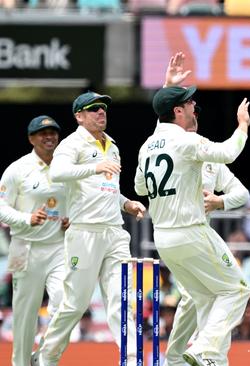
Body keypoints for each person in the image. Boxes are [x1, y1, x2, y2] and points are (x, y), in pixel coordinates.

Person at [134, 54, 250, 365]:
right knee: (238, 290)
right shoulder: (187, 141)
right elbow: (227, 152)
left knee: (204, 297)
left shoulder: (147, 146)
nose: (192, 107)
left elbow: (140, 188)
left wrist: (166, 87)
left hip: (164, 238)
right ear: (177, 111)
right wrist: (242, 127)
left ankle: (209, 358)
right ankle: (203, 348)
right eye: (188, 103)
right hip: (191, 231)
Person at [33, 92, 146, 366]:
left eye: (103, 108)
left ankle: (132, 359)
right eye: (94, 108)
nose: (101, 112)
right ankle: (46, 357)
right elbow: (58, 173)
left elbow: (106, 189)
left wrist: (127, 203)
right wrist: (94, 167)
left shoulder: (113, 145)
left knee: (122, 298)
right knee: (75, 305)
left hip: (115, 232)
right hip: (85, 233)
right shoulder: (72, 144)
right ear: (79, 116)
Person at [0, 116, 68, 366]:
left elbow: (77, 198)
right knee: (25, 318)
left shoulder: (65, 166)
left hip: (59, 248)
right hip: (25, 249)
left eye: (53, 132)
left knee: (67, 305)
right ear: (31, 138)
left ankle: (42, 357)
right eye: (42, 133)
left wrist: (72, 218)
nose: (49, 137)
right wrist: (26, 218)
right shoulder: (17, 169)